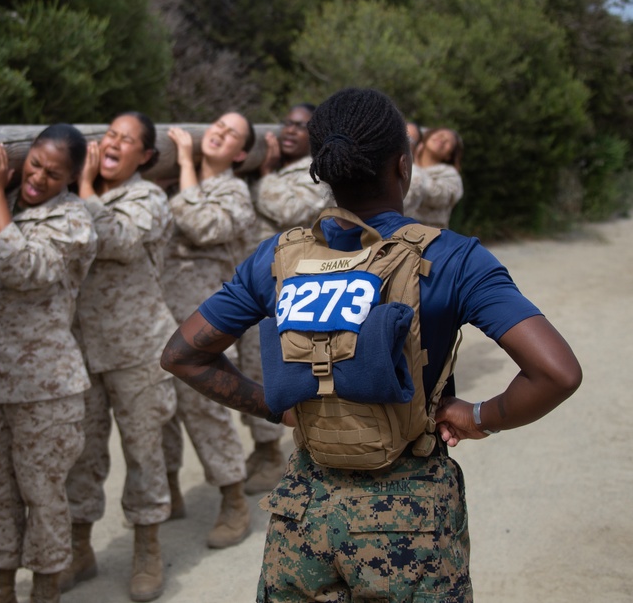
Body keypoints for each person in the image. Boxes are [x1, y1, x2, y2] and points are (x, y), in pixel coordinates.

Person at [160, 87, 581, 602]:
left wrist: (279, 410)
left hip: (302, 516)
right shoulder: (453, 258)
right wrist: (478, 415)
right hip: (411, 524)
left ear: (324, 169)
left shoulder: (279, 257)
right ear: (403, 167)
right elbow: (557, 372)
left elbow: (182, 355)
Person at [0, 124, 97, 603]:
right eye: (36, 164)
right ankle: (0, 587)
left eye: (54, 173)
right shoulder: (1, 206)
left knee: (43, 495)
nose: (39, 178)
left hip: (45, 384)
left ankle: (46, 590)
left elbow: (21, 268)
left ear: (71, 178)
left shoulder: (75, 221)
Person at [63, 112, 178, 601]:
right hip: (81, 349)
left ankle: (148, 549)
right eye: (109, 134)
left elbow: (121, 241)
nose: (113, 143)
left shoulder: (147, 196)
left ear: (145, 156)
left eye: (126, 139)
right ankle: (79, 547)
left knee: (142, 451)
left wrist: (85, 186)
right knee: (81, 454)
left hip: (136, 348)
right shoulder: (68, 196)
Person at [160, 111, 255, 549]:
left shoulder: (234, 192)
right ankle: (169, 493)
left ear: (240, 152)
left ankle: (234, 499)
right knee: (159, 414)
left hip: (206, 321)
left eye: (231, 132)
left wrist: (184, 163)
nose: (219, 132)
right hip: (159, 313)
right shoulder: (166, 182)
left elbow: (202, 227)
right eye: (217, 125)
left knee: (207, 413)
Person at [236, 102, 332, 495]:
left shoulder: (318, 175)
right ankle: (262, 448)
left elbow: (289, 208)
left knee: (275, 367)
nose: (290, 130)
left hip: (288, 284)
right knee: (249, 364)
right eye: (287, 124)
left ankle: (277, 452)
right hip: (254, 283)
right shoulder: (275, 167)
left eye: (301, 126)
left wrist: (264, 175)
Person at [403, 126, 464, 228]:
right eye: (440, 134)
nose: (443, 139)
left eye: (449, 141)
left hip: (427, 237)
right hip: (392, 233)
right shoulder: (402, 163)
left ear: (449, 156)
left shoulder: (451, 175)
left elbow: (439, 196)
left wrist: (416, 167)